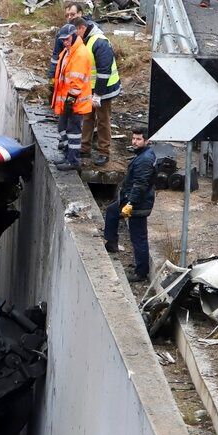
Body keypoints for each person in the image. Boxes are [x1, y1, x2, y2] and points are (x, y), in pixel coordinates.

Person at [104, 125, 156, 283]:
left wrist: (131, 203)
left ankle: (141, 273)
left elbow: (140, 184)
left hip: (138, 203)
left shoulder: (145, 160)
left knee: (138, 237)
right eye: (133, 138)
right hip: (134, 199)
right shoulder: (143, 155)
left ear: (147, 140)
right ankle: (112, 242)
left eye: (138, 139)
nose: (134, 142)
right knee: (112, 212)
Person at [76, 18, 121, 167]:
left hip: (104, 88)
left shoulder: (99, 42)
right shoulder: (86, 40)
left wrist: (98, 95)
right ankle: (85, 148)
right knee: (87, 117)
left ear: (82, 28)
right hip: (91, 88)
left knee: (103, 120)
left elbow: (103, 71)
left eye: (76, 32)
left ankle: (104, 152)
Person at [52, 18, 94, 171]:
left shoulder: (80, 54)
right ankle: (68, 155)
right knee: (63, 128)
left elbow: (77, 82)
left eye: (67, 39)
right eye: (63, 40)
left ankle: (73, 161)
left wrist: (70, 101)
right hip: (68, 101)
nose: (65, 42)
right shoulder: (69, 52)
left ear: (74, 36)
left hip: (75, 103)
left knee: (74, 132)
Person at [47, 2, 99, 81]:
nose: (69, 17)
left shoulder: (91, 30)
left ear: (80, 13)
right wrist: (52, 76)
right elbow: (56, 56)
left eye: (72, 14)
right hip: (70, 76)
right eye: (67, 15)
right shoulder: (62, 33)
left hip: (89, 79)